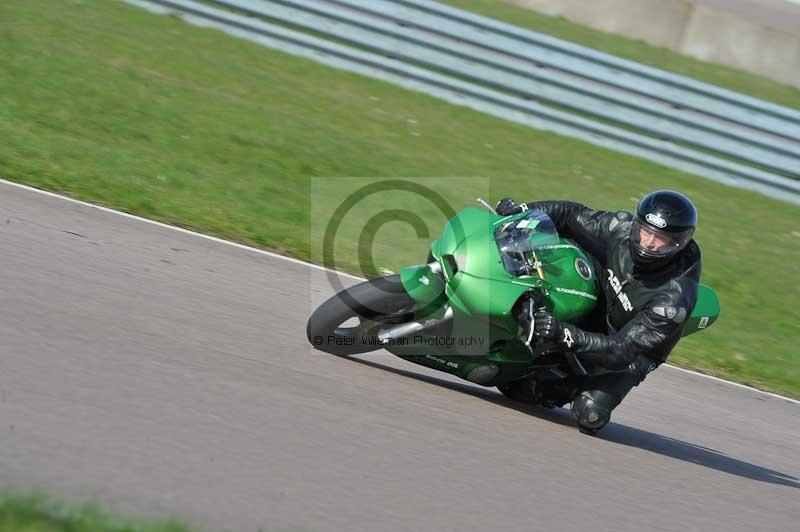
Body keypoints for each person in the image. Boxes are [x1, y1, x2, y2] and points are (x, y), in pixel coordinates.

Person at [495, 191, 701, 434]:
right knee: (564, 245)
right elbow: (572, 215)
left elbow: (621, 351)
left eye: (661, 239)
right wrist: (523, 212)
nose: (649, 243)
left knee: (588, 412)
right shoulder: (622, 229)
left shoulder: (671, 301)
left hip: (631, 351)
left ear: (678, 244)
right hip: (603, 298)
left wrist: (564, 334)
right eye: (646, 232)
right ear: (637, 225)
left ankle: (572, 382)